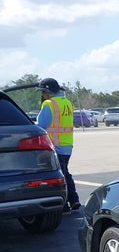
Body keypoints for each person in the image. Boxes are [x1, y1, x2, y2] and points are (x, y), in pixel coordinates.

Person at [36, 77, 80, 211]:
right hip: (67, 145)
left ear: (47, 92)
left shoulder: (49, 104)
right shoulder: (67, 103)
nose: (42, 95)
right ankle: (73, 200)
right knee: (65, 172)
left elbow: (41, 125)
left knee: (60, 175)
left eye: (42, 92)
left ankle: (66, 203)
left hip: (55, 146)